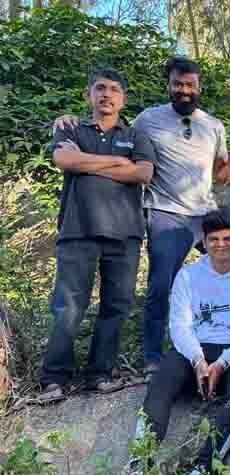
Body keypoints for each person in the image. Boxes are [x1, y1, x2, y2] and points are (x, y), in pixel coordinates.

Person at [53, 57, 230, 385]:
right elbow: (116, 129)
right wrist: (71, 119)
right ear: (169, 85)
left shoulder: (214, 126)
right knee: (161, 285)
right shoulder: (148, 119)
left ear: (199, 87)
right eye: (178, 84)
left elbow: (221, 177)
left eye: (190, 85)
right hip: (165, 213)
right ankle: (152, 359)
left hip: (203, 213)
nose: (184, 90)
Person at [37, 69, 155, 403]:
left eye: (114, 89)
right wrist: (116, 162)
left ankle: (100, 375)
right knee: (68, 307)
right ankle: (53, 379)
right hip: (79, 231)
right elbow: (63, 159)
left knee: (116, 307)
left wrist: (84, 161)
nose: (106, 94)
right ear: (90, 94)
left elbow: (143, 172)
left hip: (126, 235)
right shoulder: (71, 127)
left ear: (123, 99)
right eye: (100, 88)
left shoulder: (136, 136)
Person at [132, 209, 230, 475]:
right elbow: (179, 325)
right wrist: (197, 360)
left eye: (228, 238)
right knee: (160, 385)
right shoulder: (188, 276)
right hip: (195, 348)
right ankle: (140, 464)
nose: (221, 245)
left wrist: (222, 363)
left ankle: (202, 470)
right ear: (204, 243)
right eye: (214, 239)